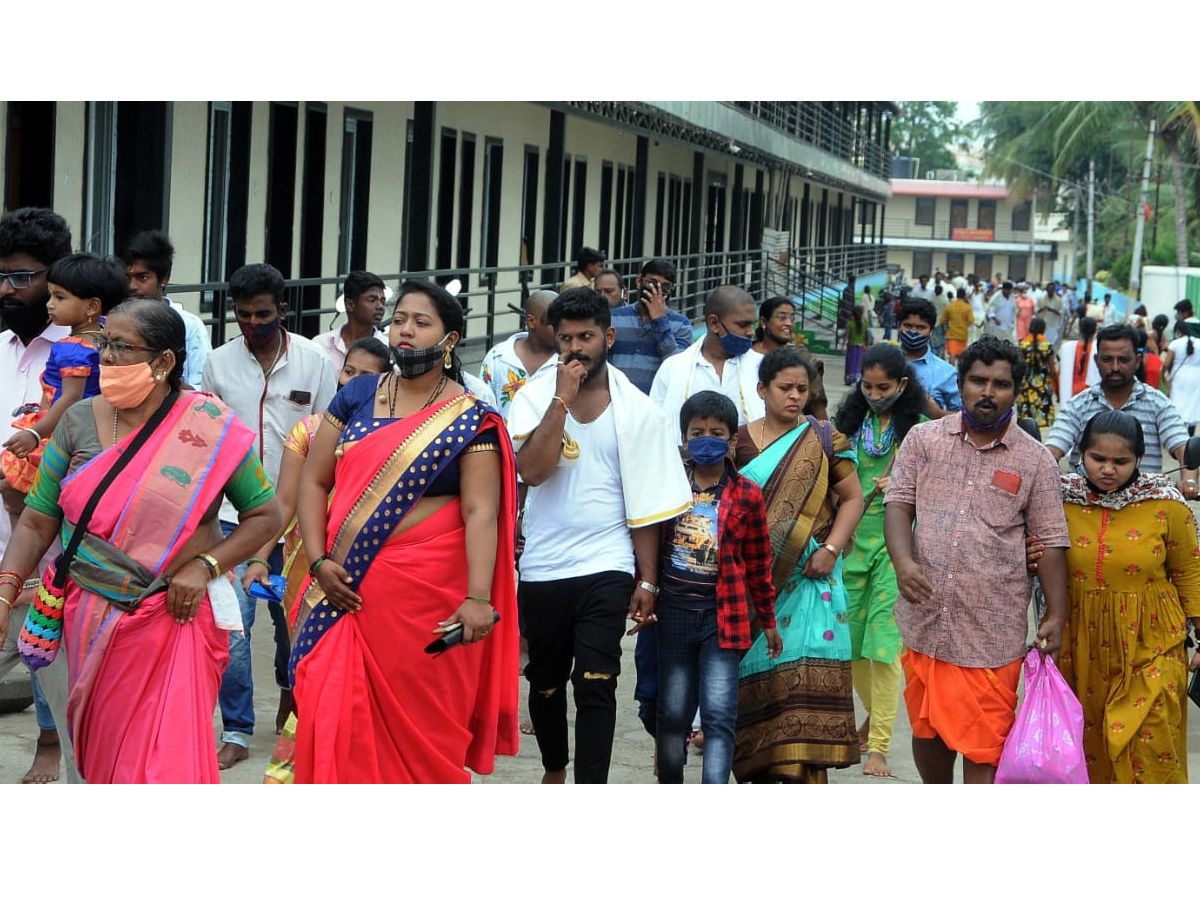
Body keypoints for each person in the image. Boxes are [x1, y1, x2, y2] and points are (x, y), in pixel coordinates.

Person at [0, 298, 281, 782]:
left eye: (121, 348)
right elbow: (36, 521)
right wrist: (6, 591)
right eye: (105, 343)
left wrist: (206, 566)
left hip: (175, 616)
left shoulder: (209, 427)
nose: (105, 358)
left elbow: (265, 516)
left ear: (164, 361)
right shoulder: (78, 420)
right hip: (88, 615)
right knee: (103, 758)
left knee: (163, 762)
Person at [290, 279, 519, 783]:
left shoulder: (471, 419)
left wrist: (479, 598)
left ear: (450, 339)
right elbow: (314, 479)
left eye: (421, 322)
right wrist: (318, 558)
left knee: (425, 732)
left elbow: (481, 512)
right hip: (344, 588)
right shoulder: (357, 394)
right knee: (332, 716)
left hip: (428, 600)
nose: (405, 330)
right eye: (399, 320)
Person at [507, 287, 692, 783]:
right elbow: (533, 471)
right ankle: (553, 767)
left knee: (597, 681)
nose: (575, 348)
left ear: (607, 336)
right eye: (565, 338)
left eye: (586, 336)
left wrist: (647, 580)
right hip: (544, 566)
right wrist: (560, 402)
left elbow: (649, 505)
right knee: (544, 683)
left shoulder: (640, 412)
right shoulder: (532, 399)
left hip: (607, 565)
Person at [883, 335, 1070, 784]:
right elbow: (898, 505)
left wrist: (1057, 615)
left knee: (986, 746)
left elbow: (1052, 542)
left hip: (991, 634)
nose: (988, 392)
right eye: (977, 381)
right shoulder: (923, 440)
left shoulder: (1036, 460)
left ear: (1015, 390)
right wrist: (904, 563)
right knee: (926, 731)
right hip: (925, 623)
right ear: (961, 384)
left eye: (1000, 384)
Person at [202, 262, 338, 770]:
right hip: (236, 516)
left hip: (301, 520)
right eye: (242, 315)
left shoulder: (312, 362)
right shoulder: (217, 364)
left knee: (294, 628)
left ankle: (291, 701)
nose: (252, 324)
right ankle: (236, 727)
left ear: (283, 310)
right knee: (233, 625)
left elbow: (329, 435)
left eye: (262, 314)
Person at [258, 337, 391, 784]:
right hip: (306, 567)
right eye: (348, 371)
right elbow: (285, 501)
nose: (352, 381)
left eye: (367, 375)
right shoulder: (311, 430)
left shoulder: (398, 436)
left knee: (365, 677)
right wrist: (260, 557)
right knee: (311, 669)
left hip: (373, 571)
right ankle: (303, 767)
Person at [1043, 411, 1200, 783]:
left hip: (1153, 642)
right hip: (1082, 644)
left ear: (1140, 460)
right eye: (1099, 458)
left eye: (1121, 461)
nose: (1108, 470)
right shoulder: (1057, 501)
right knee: (1090, 750)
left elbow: (1190, 574)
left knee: (1150, 742)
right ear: (1081, 454)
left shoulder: (1167, 504)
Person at [732, 347, 865, 782]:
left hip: (812, 583)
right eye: (784, 388)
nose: (794, 397)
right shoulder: (739, 443)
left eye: (802, 389)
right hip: (756, 585)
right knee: (761, 683)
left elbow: (853, 498)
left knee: (805, 681)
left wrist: (831, 550)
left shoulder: (824, 438)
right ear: (761, 390)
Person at [655, 390, 779, 785]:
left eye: (716, 432)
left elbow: (759, 564)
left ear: (731, 442)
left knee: (720, 716)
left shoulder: (747, 494)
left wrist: (769, 620)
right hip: (673, 613)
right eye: (696, 432)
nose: (705, 439)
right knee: (672, 714)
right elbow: (648, 543)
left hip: (724, 619)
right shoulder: (668, 485)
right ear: (684, 439)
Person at [0, 207, 74, 783]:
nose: (7, 288)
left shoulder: (81, 354)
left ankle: (51, 743)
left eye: (23, 277)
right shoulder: (1, 344)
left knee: (44, 645)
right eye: (1, 274)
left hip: (48, 530)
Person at [833, 343, 927, 777]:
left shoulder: (922, 431)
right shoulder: (848, 425)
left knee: (884, 649)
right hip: (850, 545)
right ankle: (874, 718)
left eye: (883, 387)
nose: (873, 393)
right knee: (850, 646)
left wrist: (907, 482)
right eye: (866, 386)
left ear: (902, 385)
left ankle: (879, 748)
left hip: (898, 549)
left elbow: (939, 489)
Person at [1, 254, 125, 517]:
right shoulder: (104, 336)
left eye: (59, 297)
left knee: (14, 489)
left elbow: (69, 399)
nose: (49, 305)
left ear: (92, 307)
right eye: (50, 296)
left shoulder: (72, 350)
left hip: (59, 430)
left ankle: (19, 556)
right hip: (92, 431)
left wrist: (35, 434)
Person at [1046, 324, 1196, 492]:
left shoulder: (1158, 404)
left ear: (1138, 360)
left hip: (1144, 505)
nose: (1115, 367)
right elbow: (1053, 448)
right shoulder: (1077, 405)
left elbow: (1183, 447)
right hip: (1084, 507)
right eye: (1107, 359)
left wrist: (1189, 482)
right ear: (1096, 361)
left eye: (1123, 360)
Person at [651, 285, 764, 436]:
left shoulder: (762, 368)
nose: (751, 332)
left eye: (752, 324)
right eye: (743, 325)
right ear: (714, 323)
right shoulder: (674, 368)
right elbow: (654, 425)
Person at [122, 230, 213, 389]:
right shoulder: (116, 323)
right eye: (127, 278)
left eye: (142, 277)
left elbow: (201, 388)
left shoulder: (190, 326)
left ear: (165, 278)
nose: (132, 286)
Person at [608, 258, 692, 394]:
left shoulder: (681, 324)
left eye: (664, 287)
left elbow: (678, 368)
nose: (656, 290)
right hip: (615, 400)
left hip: (654, 405)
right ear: (639, 282)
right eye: (651, 283)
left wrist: (661, 321)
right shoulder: (614, 317)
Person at [479, 289, 558, 422]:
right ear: (531, 321)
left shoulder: (567, 360)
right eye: (554, 324)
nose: (562, 329)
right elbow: (482, 404)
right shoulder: (498, 357)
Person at [312, 270, 388, 375]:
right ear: (350, 305)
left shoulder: (387, 349)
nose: (380, 306)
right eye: (372, 300)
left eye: (382, 301)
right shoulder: (321, 345)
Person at [896, 297, 960, 419]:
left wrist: (937, 414)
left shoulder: (946, 372)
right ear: (899, 326)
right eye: (908, 325)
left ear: (931, 330)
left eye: (921, 327)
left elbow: (965, 418)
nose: (913, 332)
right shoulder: (881, 362)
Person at [1017, 316, 1059, 429]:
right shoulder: (1047, 347)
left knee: (1025, 423)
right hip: (1042, 389)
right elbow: (1052, 372)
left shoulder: (1022, 345)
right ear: (1043, 329)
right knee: (1040, 423)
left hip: (1026, 389)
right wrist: (1058, 391)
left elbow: (1018, 369)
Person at [1163, 322, 1200, 434]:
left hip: (1179, 377)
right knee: (1193, 404)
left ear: (1178, 331)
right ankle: (1191, 434)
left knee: (1178, 403)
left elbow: (1166, 364)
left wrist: (1163, 375)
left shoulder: (1175, 343)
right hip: (1196, 376)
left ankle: (1179, 433)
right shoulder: (1199, 342)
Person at [1059, 313, 1100, 400]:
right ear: (1096, 330)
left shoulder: (1068, 348)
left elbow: (1061, 371)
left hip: (1071, 393)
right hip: (1089, 395)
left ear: (1080, 329)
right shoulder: (1098, 350)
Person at [937, 287, 974, 364]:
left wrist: (944, 331)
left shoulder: (950, 306)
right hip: (963, 335)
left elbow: (942, 321)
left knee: (952, 355)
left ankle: (952, 373)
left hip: (951, 335)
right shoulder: (967, 307)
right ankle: (960, 374)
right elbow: (971, 320)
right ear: (964, 296)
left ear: (956, 296)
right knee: (961, 357)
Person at [843, 304, 870, 385]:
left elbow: (847, 336)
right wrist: (867, 345)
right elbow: (866, 336)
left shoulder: (850, 324)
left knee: (850, 363)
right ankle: (858, 379)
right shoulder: (865, 324)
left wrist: (843, 345)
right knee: (859, 363)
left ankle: (849, 379)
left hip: (852, 347)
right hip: (861, 347)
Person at [1037, 282, 1065, 346]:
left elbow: (1061, 312)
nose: (1050, 291)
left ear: (1054, 290)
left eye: (1052, 289)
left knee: (1051, 342)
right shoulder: (1041, 299)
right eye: (1049, 289)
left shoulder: (1059, 300)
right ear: (1046, 290)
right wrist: (1043, 308)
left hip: (1053, 325)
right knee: (1042, 343)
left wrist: (1052, 310)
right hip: (1042, 324)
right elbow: (1036, 310)